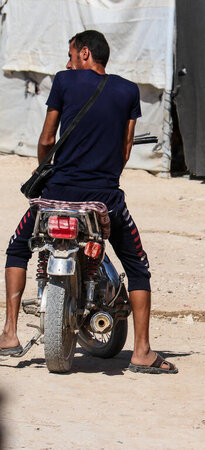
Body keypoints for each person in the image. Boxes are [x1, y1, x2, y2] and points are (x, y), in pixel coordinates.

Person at [0, 30, 177, 374]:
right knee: (137, 267)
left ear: (84, 54)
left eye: (70, 55)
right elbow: (125, 149)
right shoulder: (128, 90)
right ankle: (141, 351)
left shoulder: (65, 81)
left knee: (17, 248)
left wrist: (44, 172)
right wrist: (106, 178)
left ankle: (9, 333)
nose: (67, 63)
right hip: (104, 199)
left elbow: (47, 138)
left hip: (56, 194)